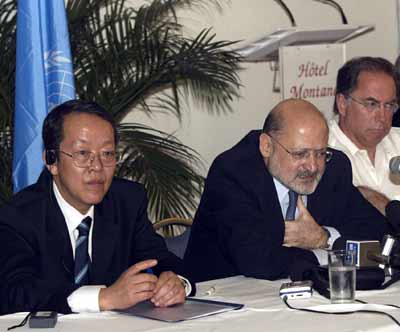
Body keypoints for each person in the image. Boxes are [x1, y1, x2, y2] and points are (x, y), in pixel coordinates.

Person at [0, 100, 193, 315]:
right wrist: (103, 297)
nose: (97, 167)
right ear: (51, 160)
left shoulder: (127, 201)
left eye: (107, 153)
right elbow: (15, 292)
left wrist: (176, 282)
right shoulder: (18, 216)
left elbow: (160, 258)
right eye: (83, 153)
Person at [184, 99, 389, 283]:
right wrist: (328, 254)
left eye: (320, 153)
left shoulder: (334, 168)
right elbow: (257, 260)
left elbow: (378, 235)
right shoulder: (233, 172)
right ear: (266, 146)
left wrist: (323, 239)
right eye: (300, 154)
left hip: (300, 293)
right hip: (222, 297)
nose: (312, 166)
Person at [329, 57, 400, 215]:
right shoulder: (321, 152)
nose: (382, 117)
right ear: (342, 103)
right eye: (371, 104)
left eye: (389, 105)